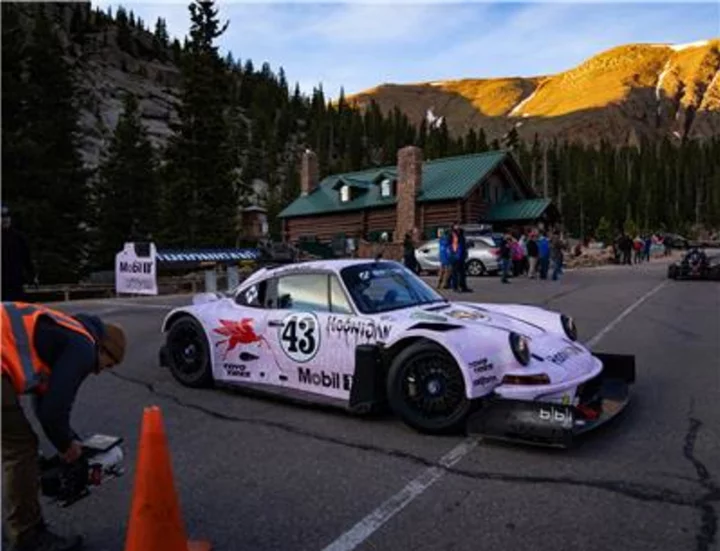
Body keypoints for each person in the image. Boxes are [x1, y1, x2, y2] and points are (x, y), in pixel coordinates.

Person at [2, 302, 127, 551]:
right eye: (108, 364)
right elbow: (53, 411)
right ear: (102, 349)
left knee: (15, 444)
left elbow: (44, 402)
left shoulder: (66, 329)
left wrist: (68, 438)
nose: (101, 371)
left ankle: (21, 522)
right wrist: (67, 446)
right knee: (21, 450)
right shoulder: (83, 348)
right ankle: (28, 537)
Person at [1, 205, 38, 302]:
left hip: (15, 282)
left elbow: (27, 258)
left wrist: (32, 276)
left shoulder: (18, 238)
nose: (5, 220)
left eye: (7, 217)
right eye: (2, 217)